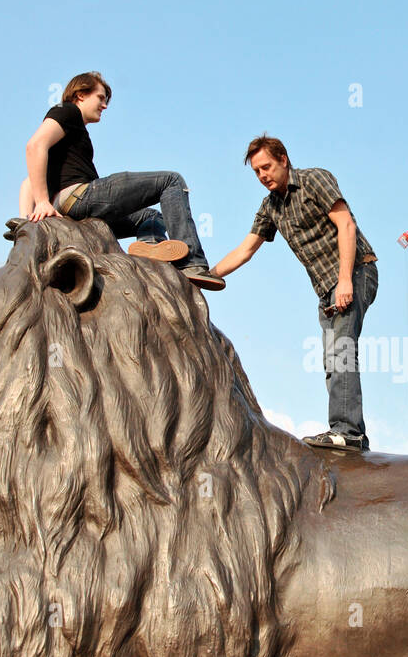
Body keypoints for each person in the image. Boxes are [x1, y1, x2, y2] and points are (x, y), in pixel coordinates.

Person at [212, 135, 378, 451]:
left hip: (356, 271)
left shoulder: (315, 179)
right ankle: (347, 431)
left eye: (267, 167)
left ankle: (349, 431)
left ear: (283, 160)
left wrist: (345, 280)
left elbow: (346, 225)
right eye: (257, 172)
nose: (263, 176)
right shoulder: (271, 207)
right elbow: (246, 249)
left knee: (342, 348)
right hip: (326, 288)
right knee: (332, 357)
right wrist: (205, 276)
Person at [24, 71, 224, 290]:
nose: (105, 105)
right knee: (171, 180)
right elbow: (34, 146)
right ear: (80, 95)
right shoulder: (66, 111)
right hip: (81, 196)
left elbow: (29, 180)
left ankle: (150, 248)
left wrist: (27, 219)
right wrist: (42, 202)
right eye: (100, 98)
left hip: (77, 209)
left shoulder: (73, 131)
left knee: (151, 217)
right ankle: (192, 264)